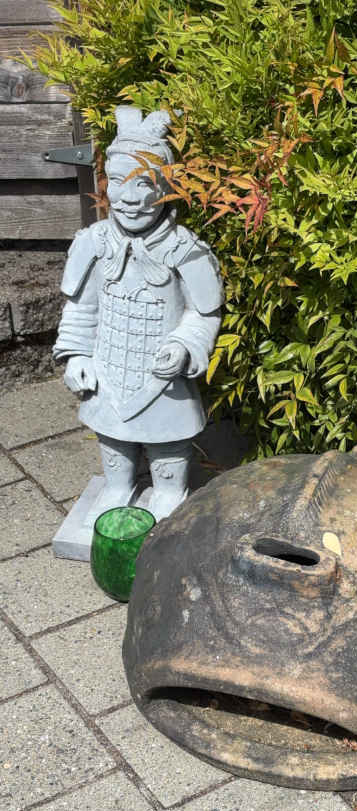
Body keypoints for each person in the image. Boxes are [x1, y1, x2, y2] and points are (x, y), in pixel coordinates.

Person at [53, 105, 223, 521]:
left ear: (165, 186)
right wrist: (77, 355)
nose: (128, 197)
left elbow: (204, 314)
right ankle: (118, 487)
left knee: (168, 440)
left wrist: (183, 346)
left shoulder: (187, 250)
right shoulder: (93, 242)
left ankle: (169, 493)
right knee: (112, 436)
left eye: (143, 183)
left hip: (163, 376)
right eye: (116, 181)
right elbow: (82, 307)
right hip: (109, 366)